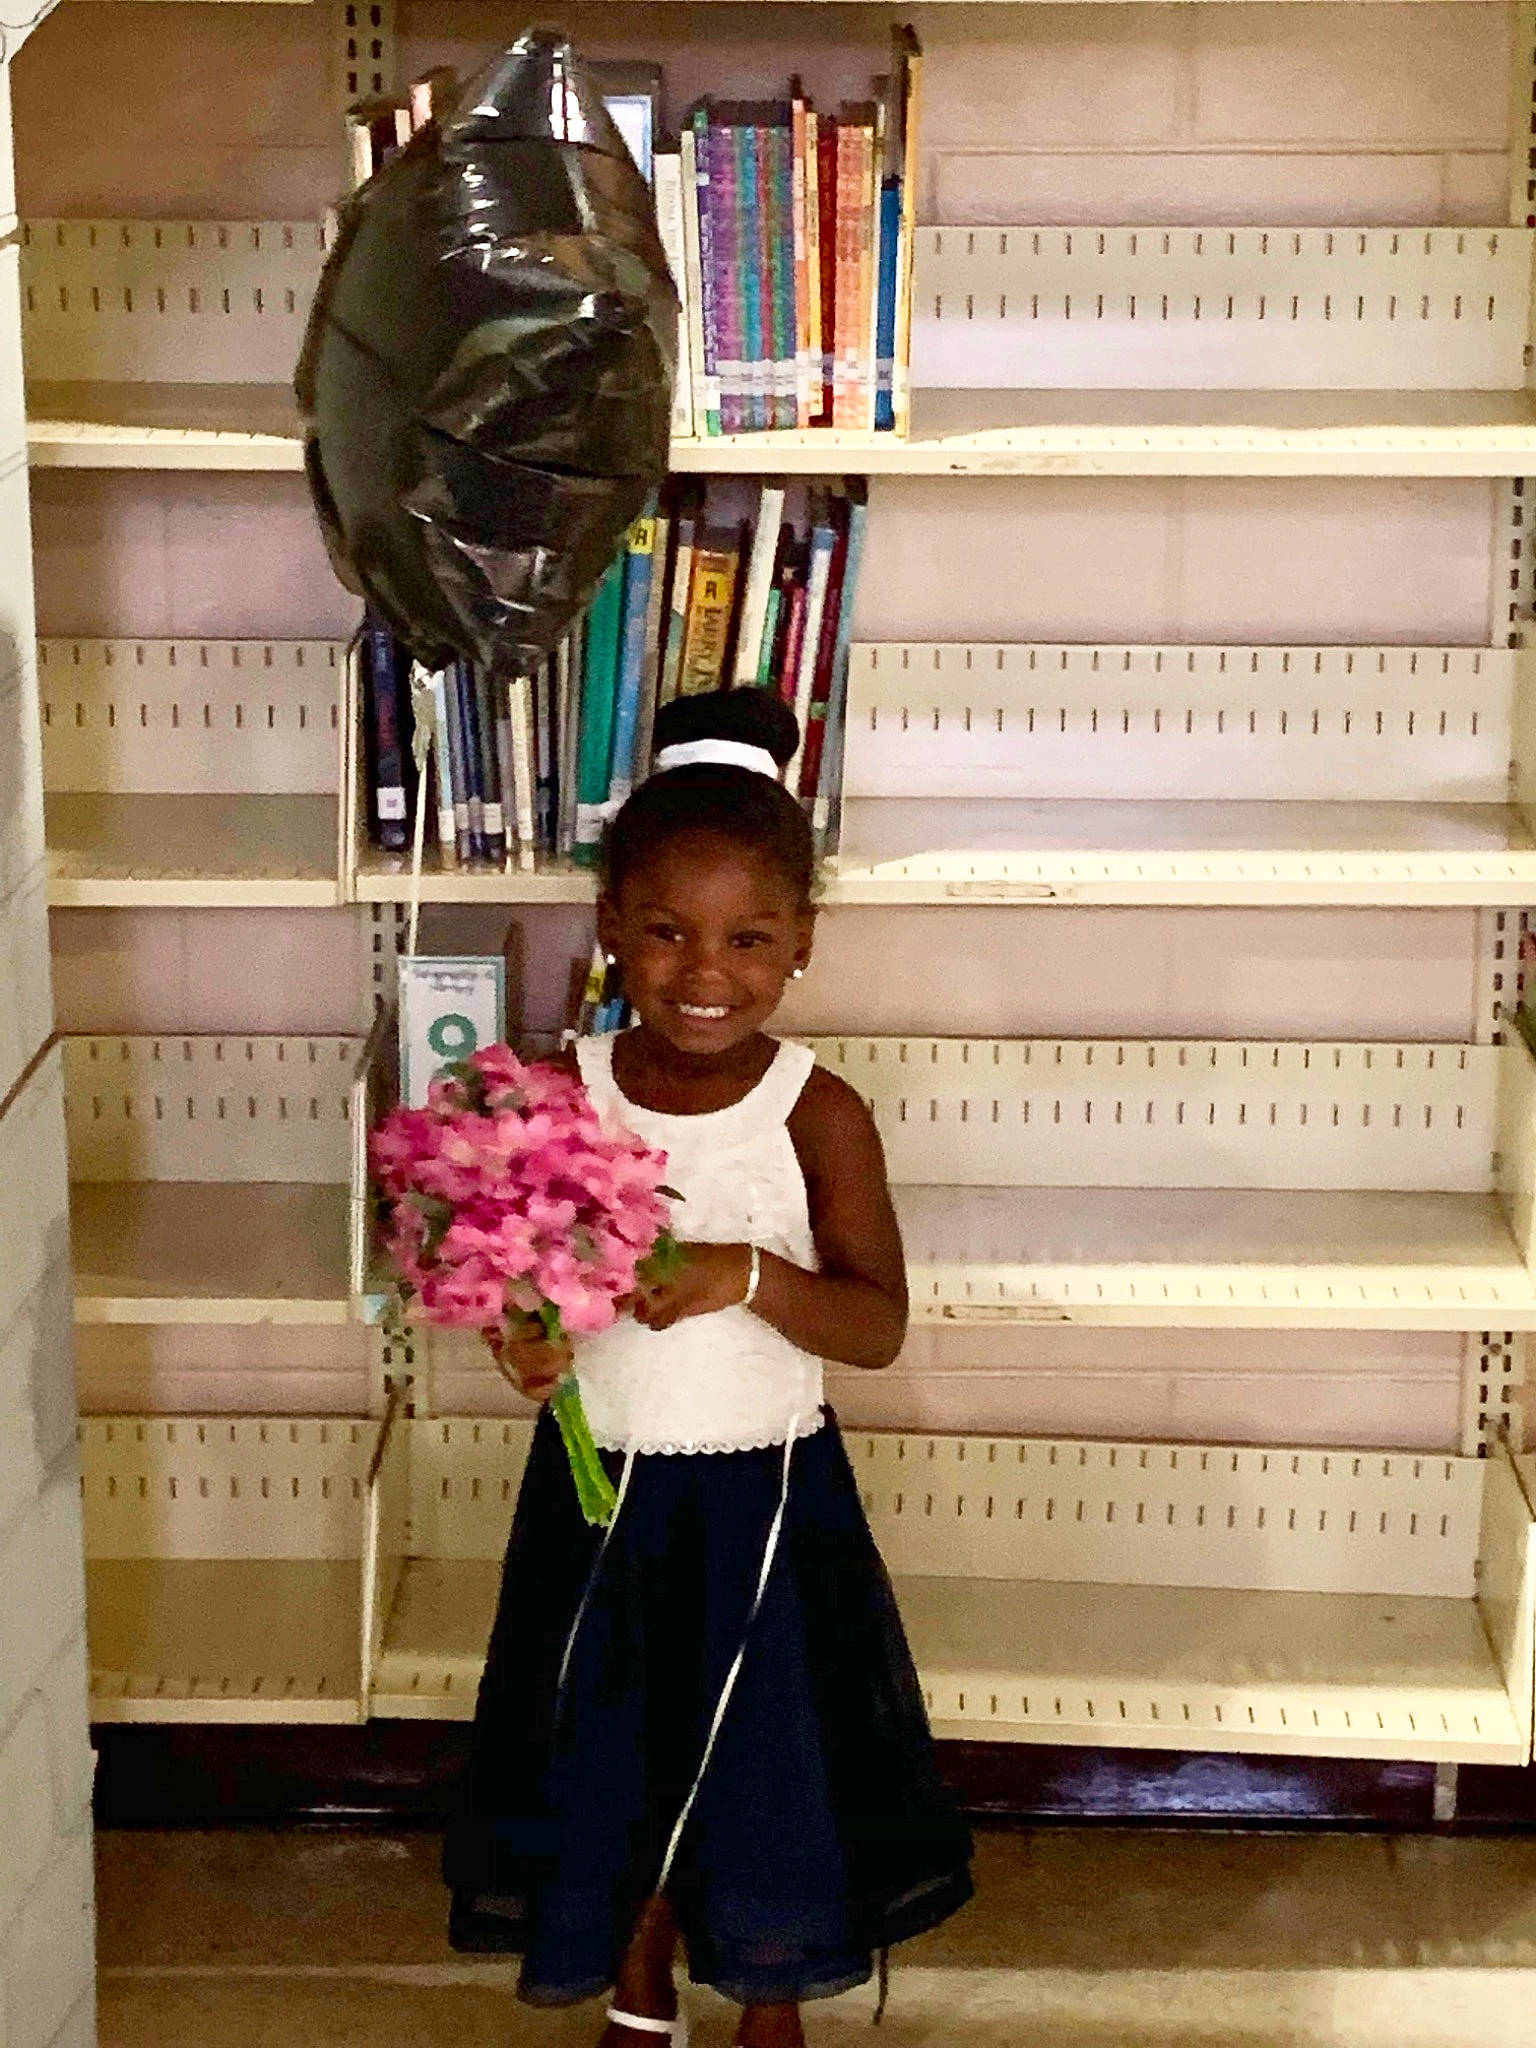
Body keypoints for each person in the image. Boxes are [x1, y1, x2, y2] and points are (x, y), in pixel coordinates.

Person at [444, 689, 974, 2048]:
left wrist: (737, 1273)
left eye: (748, 939)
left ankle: (769, 1997)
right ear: (609, 925)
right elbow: (526, 1303)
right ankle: (635, 1976)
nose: (704, 972)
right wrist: (531, 1335)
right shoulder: (561, 1090)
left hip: (770, 1506)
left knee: (761, 1769)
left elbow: (874, 1326)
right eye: (667, 931)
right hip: (599, 1501)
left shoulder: (819, 1113)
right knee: (612, 1751)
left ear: (800, 942)